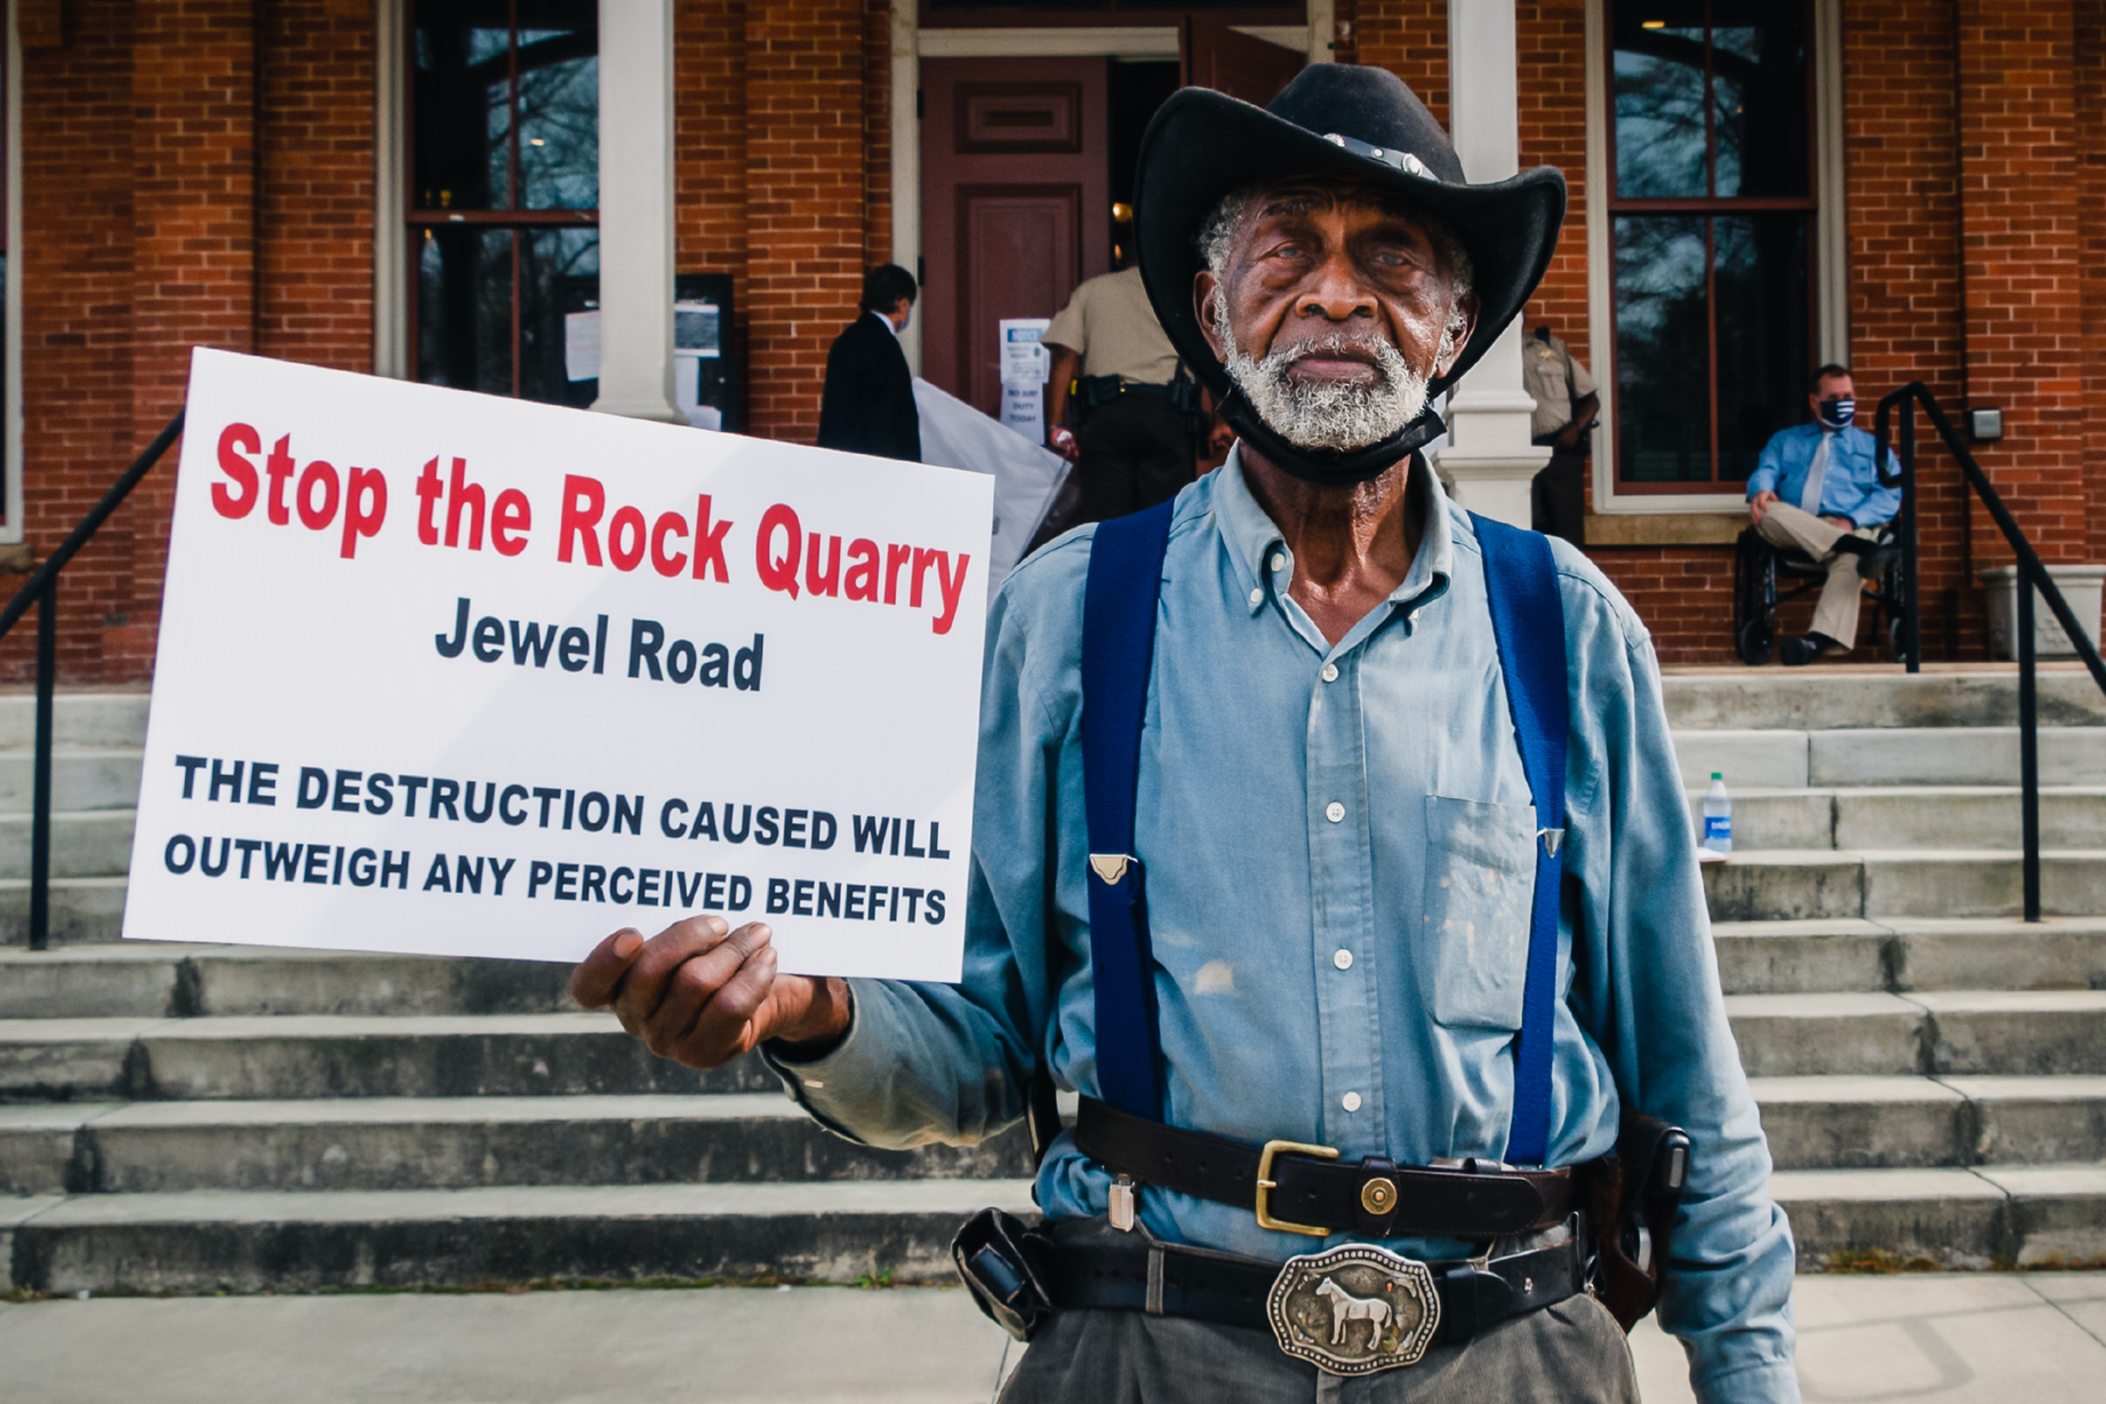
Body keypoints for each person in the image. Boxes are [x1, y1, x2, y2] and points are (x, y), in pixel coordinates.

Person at [570, 65, 1796, 1404]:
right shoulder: (1066, 619)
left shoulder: (1563, 628)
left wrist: (1750, 1378)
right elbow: (982, 1045)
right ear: (1213, 311)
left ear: (1451, 325)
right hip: (1146, 1352)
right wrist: (799, 1012)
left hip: (1510, 1358)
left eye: (1389, 255)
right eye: (1287, 248)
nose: (1336, 292)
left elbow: (1688, 1084)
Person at [1745, 365, 1899, 666]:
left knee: (1852, 560)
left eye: (1848, 396)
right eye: (1833, 396)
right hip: (1796, 527)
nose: (1842, 402)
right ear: (1814, 402)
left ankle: (1814, 643)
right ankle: (1858, 546)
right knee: (1764, 511)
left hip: (1849, 525)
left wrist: (1852, 520)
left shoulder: (1873, 447)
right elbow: (1765, 469)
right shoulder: (1786, 440)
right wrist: (1762, 488)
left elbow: (1890, 494)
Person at [1041, 262, 1199, 527]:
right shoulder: (1182, 294)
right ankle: (1158, 568)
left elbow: (1063, 356)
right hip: (1166, 414)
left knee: (1106, 523)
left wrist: (1055, 425)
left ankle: (1113, 567)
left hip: (1106, 416)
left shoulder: (1092, 291)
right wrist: (1220, 421)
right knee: (1164, 521)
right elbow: (1210, 357)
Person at [816, 264, 921, 462]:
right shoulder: (885, 348)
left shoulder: (845, 340)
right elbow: (887, 420)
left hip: (840, 462)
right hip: (876, 468)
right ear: (902, 304)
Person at [1522, 324, 1598, 545]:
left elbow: (1590, 400)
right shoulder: (1491, 352)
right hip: (1520, 458)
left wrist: (1575, 428)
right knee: (1527, 537)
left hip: (1561, 455)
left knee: (1568, 539)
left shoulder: (1551, 347)